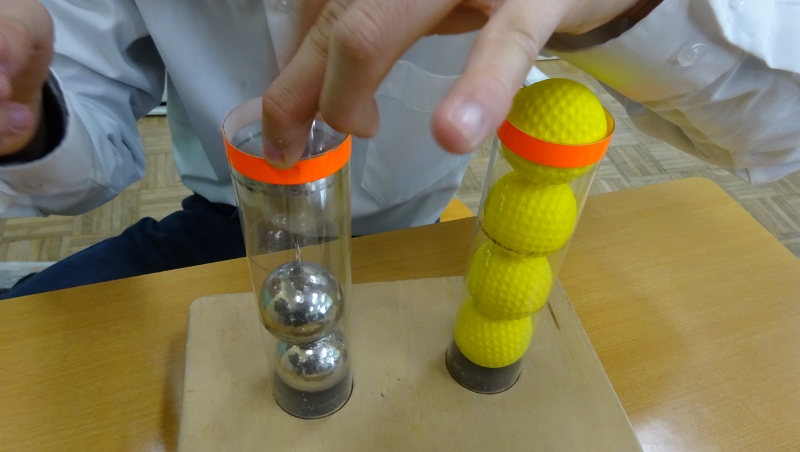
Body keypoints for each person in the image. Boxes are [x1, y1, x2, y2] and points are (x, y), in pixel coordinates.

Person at [1, 0, 798, 299]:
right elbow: (83, 157)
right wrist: (30, 112)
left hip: (424, 238)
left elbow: (782, 135)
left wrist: (631, 12)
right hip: (228, 227)